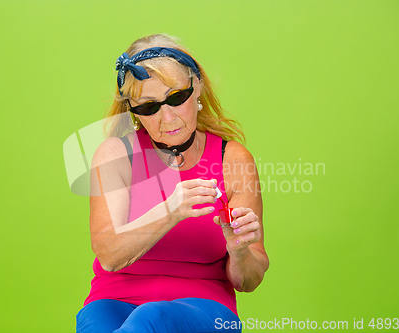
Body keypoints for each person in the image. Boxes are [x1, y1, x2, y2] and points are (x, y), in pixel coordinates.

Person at [75, 34, 269, 333]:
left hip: (204, 306)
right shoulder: (117, 154)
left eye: (177, 98)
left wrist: (240, 250)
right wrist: (170, 211)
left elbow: (249, 281)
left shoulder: (231, 159)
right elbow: (110, 257)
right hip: (112, 301)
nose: (167, 117)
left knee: (151, 318)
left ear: (198, 88)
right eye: (149, 107)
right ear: (133, 111)